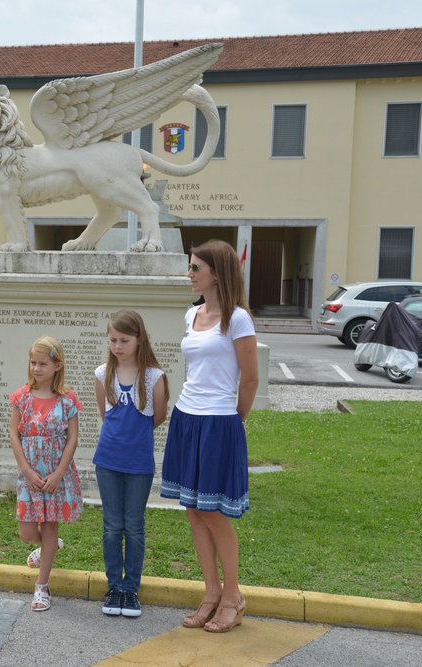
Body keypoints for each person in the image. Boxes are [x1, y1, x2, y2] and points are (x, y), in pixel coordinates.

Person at [161, 239, 259, 633]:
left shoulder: (238, 319)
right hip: (187, 417)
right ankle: (211, 593)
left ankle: (233, 596)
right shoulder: (192, 315)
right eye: (190, 266)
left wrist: (234, 421)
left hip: (220, 422)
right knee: (193, 510)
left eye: (195, 267)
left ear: (216, 273)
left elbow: (250, 378)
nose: (190, 273)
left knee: (214, 512)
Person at [93, 310, 168, 618]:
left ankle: (131, 589)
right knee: (112, 526)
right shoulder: (102, 374)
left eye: (124, 340)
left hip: (139, 464)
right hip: (107, 461)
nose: (118, 346)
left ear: (139, 339)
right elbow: (104, 416)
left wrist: (134, 440)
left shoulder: (153, 377)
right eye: (112, 340)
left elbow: (159, 416)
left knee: (133, 527)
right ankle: (113, 587)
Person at [8, 336, 83, 612]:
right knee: (27, 531)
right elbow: (15, 436)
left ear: (57, 366)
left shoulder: (67, 400)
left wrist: (59, 473)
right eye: (33, 362)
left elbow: (72, 438)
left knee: (50, 526)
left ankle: (42, 586)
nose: (36, 368)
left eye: (43, 363)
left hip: (55, 476)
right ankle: (48, 547)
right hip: (30, 475)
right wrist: (26, 470)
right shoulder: (21, 398)